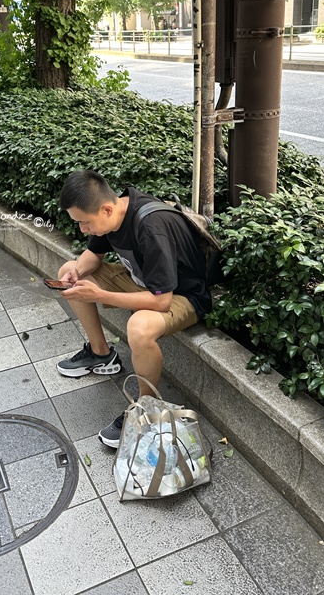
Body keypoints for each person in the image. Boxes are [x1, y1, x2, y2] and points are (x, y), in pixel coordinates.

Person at [56, 170, 212, 448]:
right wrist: (77, 272)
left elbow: (162, 301)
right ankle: (101, 354)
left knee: (138, 327)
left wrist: (102, 294)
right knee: (70, 270)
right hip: (145, 284)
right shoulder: (114, 213)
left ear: (105, 209)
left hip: (183, 296)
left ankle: (147, 408)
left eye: (84, 223)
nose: (82, 230)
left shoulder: (151, 226)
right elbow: (94, 254)